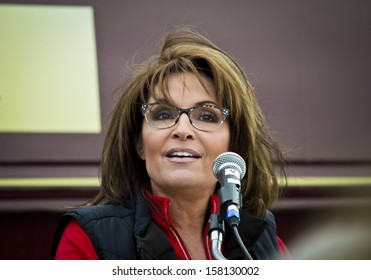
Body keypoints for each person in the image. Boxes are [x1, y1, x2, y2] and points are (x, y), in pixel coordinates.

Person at [51, 27, 288, 260]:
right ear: (139, 144)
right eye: (163, 114)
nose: (182, 130)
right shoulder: (88, 237)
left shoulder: (263, 238)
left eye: (206, 116)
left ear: (233, 144)